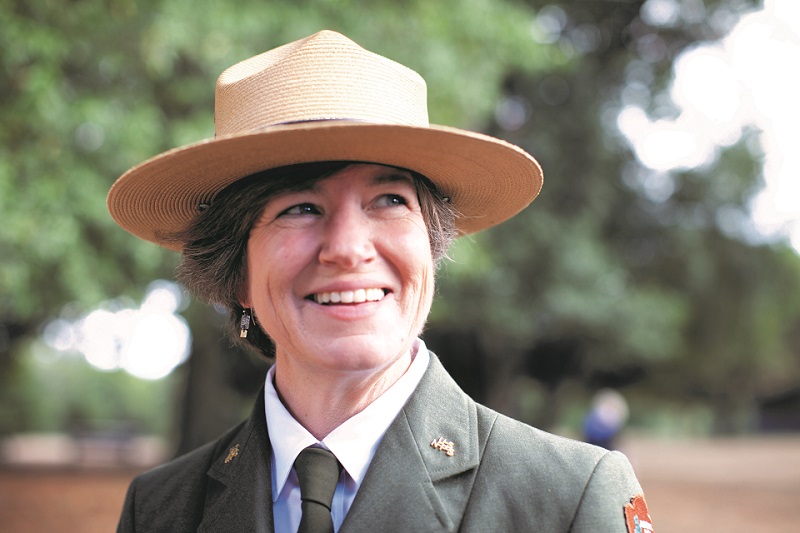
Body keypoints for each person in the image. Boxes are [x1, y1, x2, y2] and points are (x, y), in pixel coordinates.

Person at [109, 30, 653, 533]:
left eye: (390, 200)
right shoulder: (160, 510)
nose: (348, 248)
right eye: (300, 207)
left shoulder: (568, 498)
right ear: (237, 275)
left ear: (431, 248)